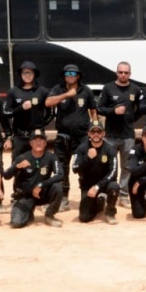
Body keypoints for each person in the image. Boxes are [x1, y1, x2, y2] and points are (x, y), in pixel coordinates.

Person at [48, 63, 97, 210]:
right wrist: (66, 95)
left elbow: (93, 110)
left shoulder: (86, 90)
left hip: (81, 138)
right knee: (61, 169)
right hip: (62, 137)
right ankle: (63, 198)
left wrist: (95, 128)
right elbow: (48, 102)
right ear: (64, 76)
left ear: (78, 76)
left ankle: (85, 196)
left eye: (73, 74)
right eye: (67, 74)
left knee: (83, 167)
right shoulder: (58, 89)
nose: (70, 76)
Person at [3, 128, 65, 228]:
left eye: (41, 140)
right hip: (26, 195)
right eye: (35, 140)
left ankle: (49, 215)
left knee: (57, 187)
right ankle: (28, 212)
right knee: (16, 223)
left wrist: (41, 185)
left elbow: (60, 175)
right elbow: (6, 176)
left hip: (42, 193)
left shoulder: (51, 157)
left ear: (45, 143)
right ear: (31, 143)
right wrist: (17, 166)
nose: (38, 143)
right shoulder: (22, 157)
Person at [99, 61, 139, 204]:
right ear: (116, 73)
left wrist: (130, 118)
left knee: (127, 167)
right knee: (107, 165)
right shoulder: (108, 88)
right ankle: (107, 192)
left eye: (126, 72)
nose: (123, 75)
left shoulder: (135, 89)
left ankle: (123, 194)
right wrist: (113, 111)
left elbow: (138, 110)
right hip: (110, 135)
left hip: (128, 135)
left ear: (130, 74)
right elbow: (100, 108)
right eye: (121, 72)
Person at [71, 119, 119, 225]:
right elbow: (74, 168)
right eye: (93, 132)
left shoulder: (110, 149)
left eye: (99, 132)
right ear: (89, 134)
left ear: (103, 133)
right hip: (88, 185)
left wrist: (97, 186)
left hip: (104, 184)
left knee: (114, 187)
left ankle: (110, 212)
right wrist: (87, 158)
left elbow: (114, 172)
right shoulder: (82, 148)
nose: (96, 134)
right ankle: (99, 203)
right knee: (84, 218)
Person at [3, 60, 51, 159]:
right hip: (20, 136)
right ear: (21, 74)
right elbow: (6, 112)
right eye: (24, 72)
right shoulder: (13, 91)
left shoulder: (42, 91)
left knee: (40, 164)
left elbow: (51, 113)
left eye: (30, 72)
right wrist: (21, 108)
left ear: (34, 74)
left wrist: (42, 124)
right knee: (18, 165)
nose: (27, 75)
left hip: (38, 136)